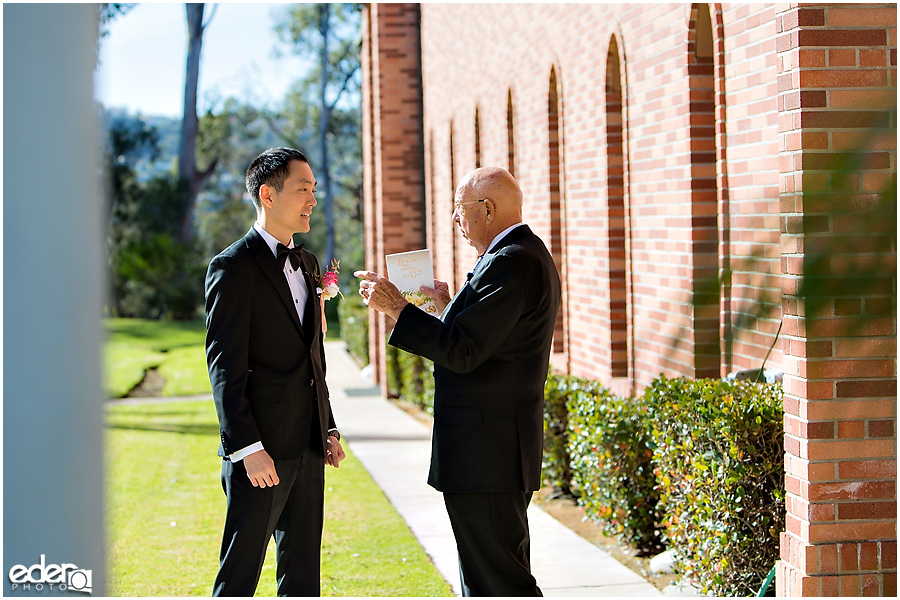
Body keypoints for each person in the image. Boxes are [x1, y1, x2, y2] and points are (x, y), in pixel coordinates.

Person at [355, 166, 560, 596]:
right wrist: (447, 306)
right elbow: (481, 343)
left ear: (487, 209)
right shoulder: (515, 255)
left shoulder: (512, 261)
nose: (455, 220)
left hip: (488, 454)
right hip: (490, 452)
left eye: (459, 209)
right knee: (488, 577)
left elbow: (463, 352)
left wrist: (398, 308)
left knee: (499, 582)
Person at [205, 147, 345, 596]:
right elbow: (224, 367)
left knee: (303, 577)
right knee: (239, 576)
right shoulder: (231, 268)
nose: (312, 200)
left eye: (314, 190)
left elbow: (312, 359)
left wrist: (328, 427)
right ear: (267, 194)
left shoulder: (306, 263)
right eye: (303, 189)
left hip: (308, 446)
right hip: (259, 455)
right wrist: (247, 448)